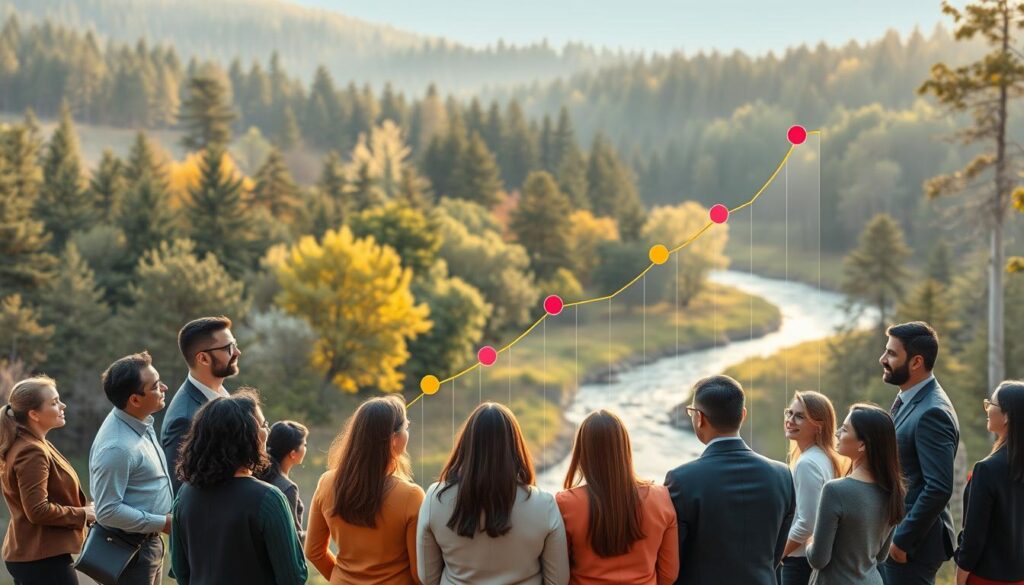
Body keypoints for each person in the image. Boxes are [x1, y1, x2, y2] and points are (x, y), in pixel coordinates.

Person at [417, 402, 569, 585]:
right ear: (515, 447)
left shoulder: (435, 499)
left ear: (467, 445)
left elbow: (427, 578)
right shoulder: (544, 505)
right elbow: (558, 581)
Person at [664, 374, 795, 585]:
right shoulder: (782, 475)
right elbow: (775, 554)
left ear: (699, 418)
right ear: (743, 415)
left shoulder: (681, 480)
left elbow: (672, 559)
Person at [170, 389, 307, 585]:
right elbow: (293, 577)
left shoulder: (185, 494)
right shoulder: (269, 499)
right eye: (264, 425)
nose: (267, 432)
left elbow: (180, 570)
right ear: (248, 435)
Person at [306, 395, 424, 584]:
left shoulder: (326, 482)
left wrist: (342, 578)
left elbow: (313, 551)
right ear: (393, 439)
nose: (408, 431)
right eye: (406, 427)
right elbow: (419, 573)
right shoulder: (411, 496)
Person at [878, 322, 959, 585]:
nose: (883, 359)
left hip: (912, 547)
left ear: (916, 362)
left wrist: (901, 541)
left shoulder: (933, 412)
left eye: (891, 353)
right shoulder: (911, 398)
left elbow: (939, 487)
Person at [557, 410, 678, 585]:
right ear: (625, 448)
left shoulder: (566, 504)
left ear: (582, 452)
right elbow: (668, 574)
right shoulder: (660, 498)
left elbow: (559, 573)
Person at [90, 352, 174, 585]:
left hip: (147, 543)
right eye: (156, 386)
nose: (164, 388)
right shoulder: (117, 447)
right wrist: (164, 523)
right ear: (135, 400)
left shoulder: (137, 419)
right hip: (128, 551)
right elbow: (107, 511)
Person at [0, 376, 94, 585]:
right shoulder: (31, 451)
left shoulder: (34, 443)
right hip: (40, 558)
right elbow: (37, 510)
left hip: (38, 555)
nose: (63, 406)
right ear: (34, 414)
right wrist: (83, 514)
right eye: (54, 403)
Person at [806, 404, 906, 585]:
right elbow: (881, 556)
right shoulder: (894, 491)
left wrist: (809, 542)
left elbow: (818, 559)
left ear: (862, 444)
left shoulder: (835, 490)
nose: (837, 433)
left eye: (844, 430)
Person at [162, 316, 241, 494]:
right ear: (203, 358)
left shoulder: (222, 394)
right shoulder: (184, 419)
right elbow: (181, 492)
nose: (237, 352)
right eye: (229, 348)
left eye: (235, 344)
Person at [954, 380, 1024, 585]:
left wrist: (960, 576)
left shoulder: (987, 469)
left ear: (1007, 416)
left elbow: (973, 537)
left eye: (991, 404)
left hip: (986, 578)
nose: (987, 409)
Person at [782, 391, 847, 585]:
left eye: (800, 416)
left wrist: (778, 554)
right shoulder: (825, 457)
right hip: (812, 559)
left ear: (818, 426)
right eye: (789, 413)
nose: (790, 420)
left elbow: (808, 522)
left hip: (800, 562)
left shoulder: (807, 463)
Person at [257, 420, 309, 542]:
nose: (305, 448)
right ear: (293, 454)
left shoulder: (256, 475)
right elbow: (293, 539)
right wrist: (316, 533)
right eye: (304, 445)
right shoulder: (287, 488)